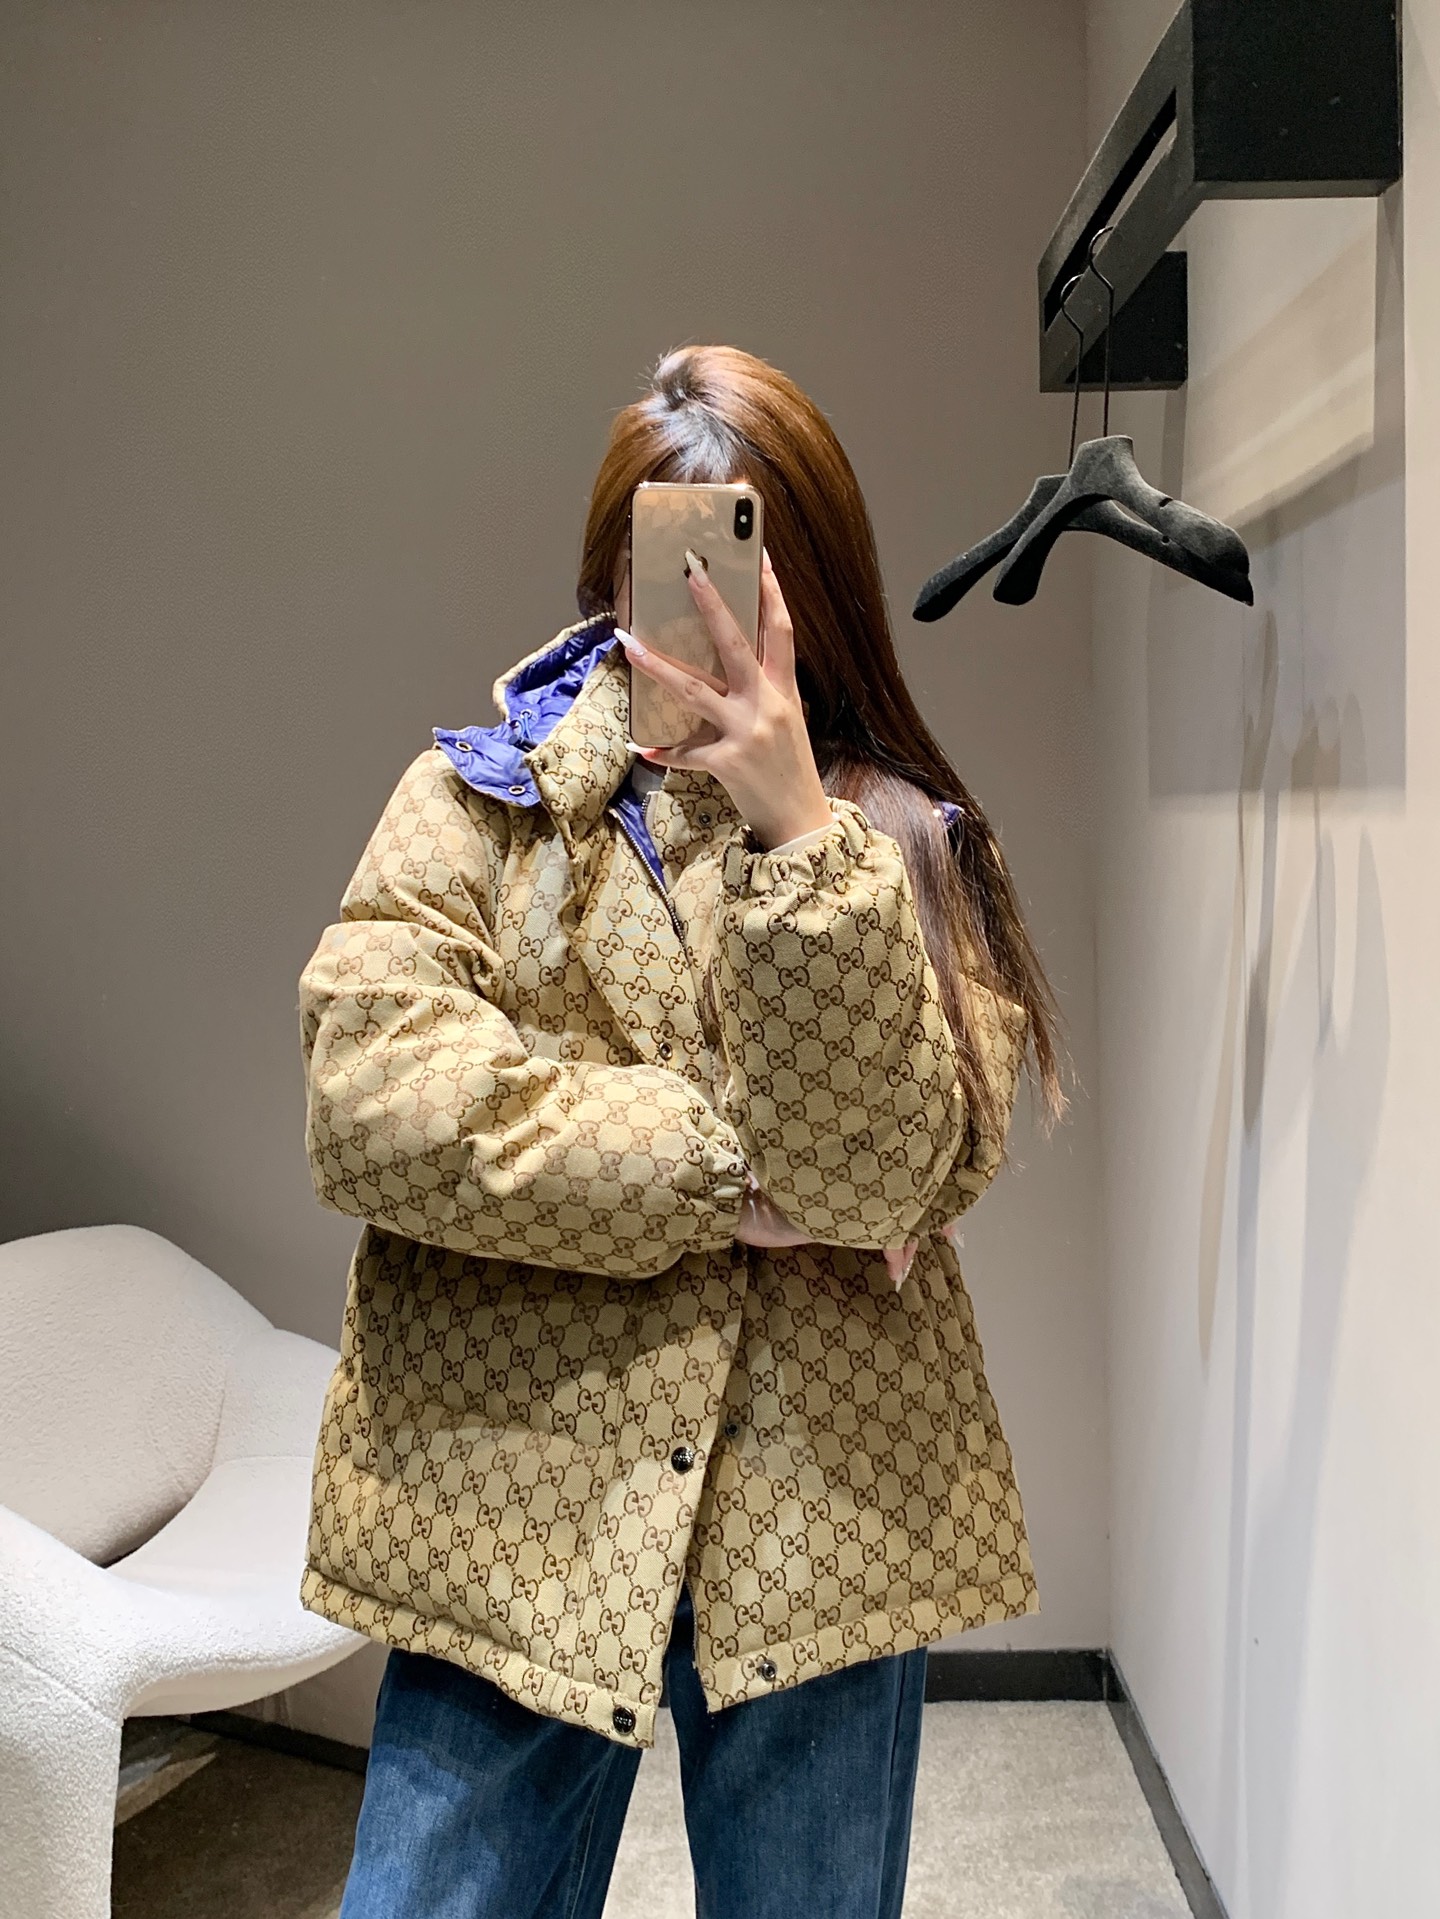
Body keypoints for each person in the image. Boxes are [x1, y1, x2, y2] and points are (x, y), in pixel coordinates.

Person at [297, 343, 1066, 1919]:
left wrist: (799, 830)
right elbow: (370, 1098)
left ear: (817, 593)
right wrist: (719, 1174)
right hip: (511, 1485)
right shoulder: (477, 806)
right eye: (670, 569)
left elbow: (877, 1177)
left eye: (748, 572)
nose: (706, 616)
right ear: (611, 579)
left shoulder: (910, 846)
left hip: (825, 1504)